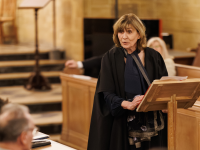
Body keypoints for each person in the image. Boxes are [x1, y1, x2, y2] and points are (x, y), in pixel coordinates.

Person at [87, 13, 168, 150]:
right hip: (123, 125)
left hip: (153, 125)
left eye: (129, 32)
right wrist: (127, 104)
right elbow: (106, 93)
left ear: (139, 34)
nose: (124, 36)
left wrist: (165, 104)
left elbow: (164, 86)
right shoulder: (110, 57)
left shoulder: (154, 56)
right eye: (120, 31)